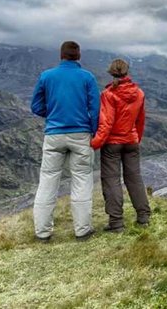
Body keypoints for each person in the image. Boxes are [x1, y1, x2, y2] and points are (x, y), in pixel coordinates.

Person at [30, 41, 101, 241]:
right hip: (81, 134)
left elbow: (35, 106)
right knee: (81, 179)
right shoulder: (87, 77)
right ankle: (82, 230)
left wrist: (51, 114)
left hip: (53, 134)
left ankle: (42, 233)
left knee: (48, 180)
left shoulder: (46, 76)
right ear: (78, 56)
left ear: (61, 55)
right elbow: (95, 109)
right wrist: (93, 131)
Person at [91, 58, 150, 232]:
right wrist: (135, 138)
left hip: (112, 144)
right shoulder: (139, 93)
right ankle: (143, 216)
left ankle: (116, 223)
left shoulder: (108, 94)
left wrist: (95, 143)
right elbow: (140, 120)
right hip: (131, 141)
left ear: (111, 73)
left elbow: (106, 123)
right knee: (134, 178)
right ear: (127, 72)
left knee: (111, 181)